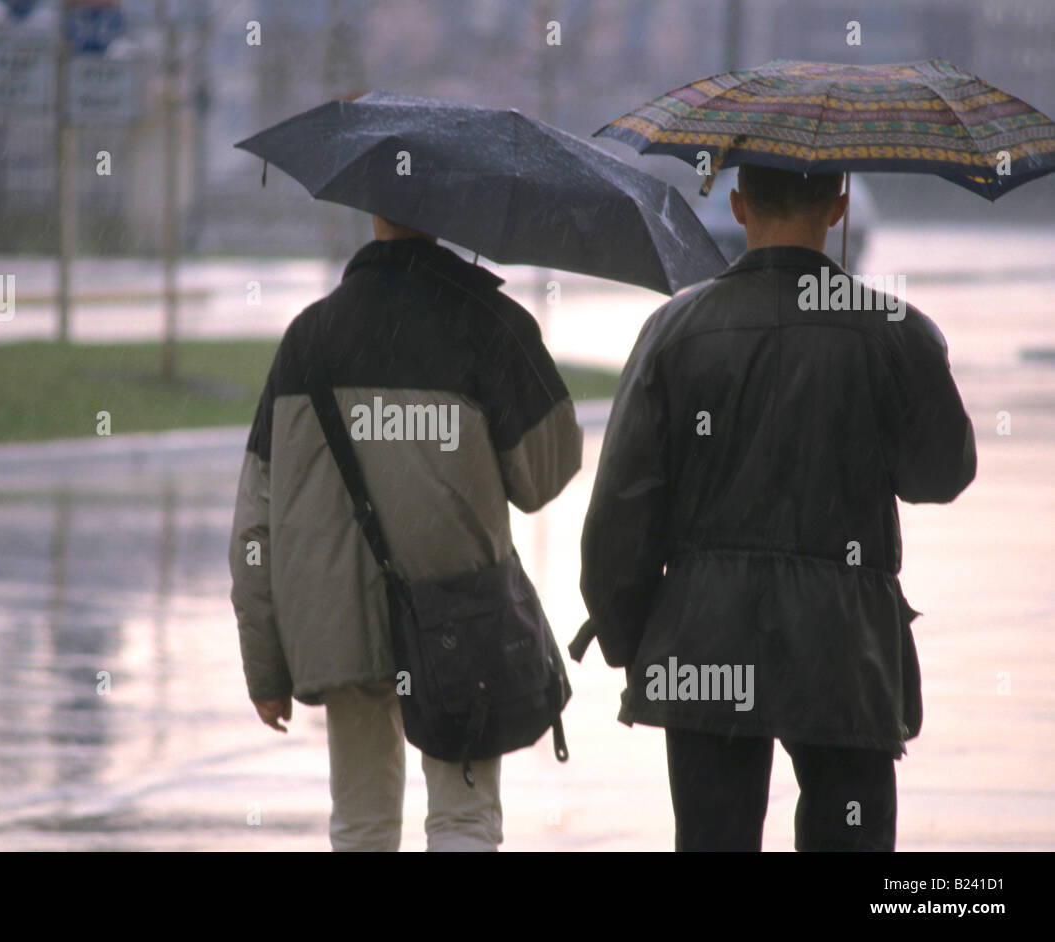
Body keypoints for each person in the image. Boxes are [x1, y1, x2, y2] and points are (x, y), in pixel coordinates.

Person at [575, 164, 976, 852]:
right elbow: (941, 474)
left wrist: (630, 636)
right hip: (844, 650)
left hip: (704, 642)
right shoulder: (891, 333)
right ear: (840, 204)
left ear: (738, 203)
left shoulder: (674, 332)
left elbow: (620, 517)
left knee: (714, 837)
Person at [229, 215, 583, 851]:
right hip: (461, 619)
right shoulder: (486, 325)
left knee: (361, 826)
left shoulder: (307, 339)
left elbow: (254, 522)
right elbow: (544, 475)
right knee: (464, 820)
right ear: (448, 210)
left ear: (372, 213)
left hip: (339, 626)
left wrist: (266, 668)